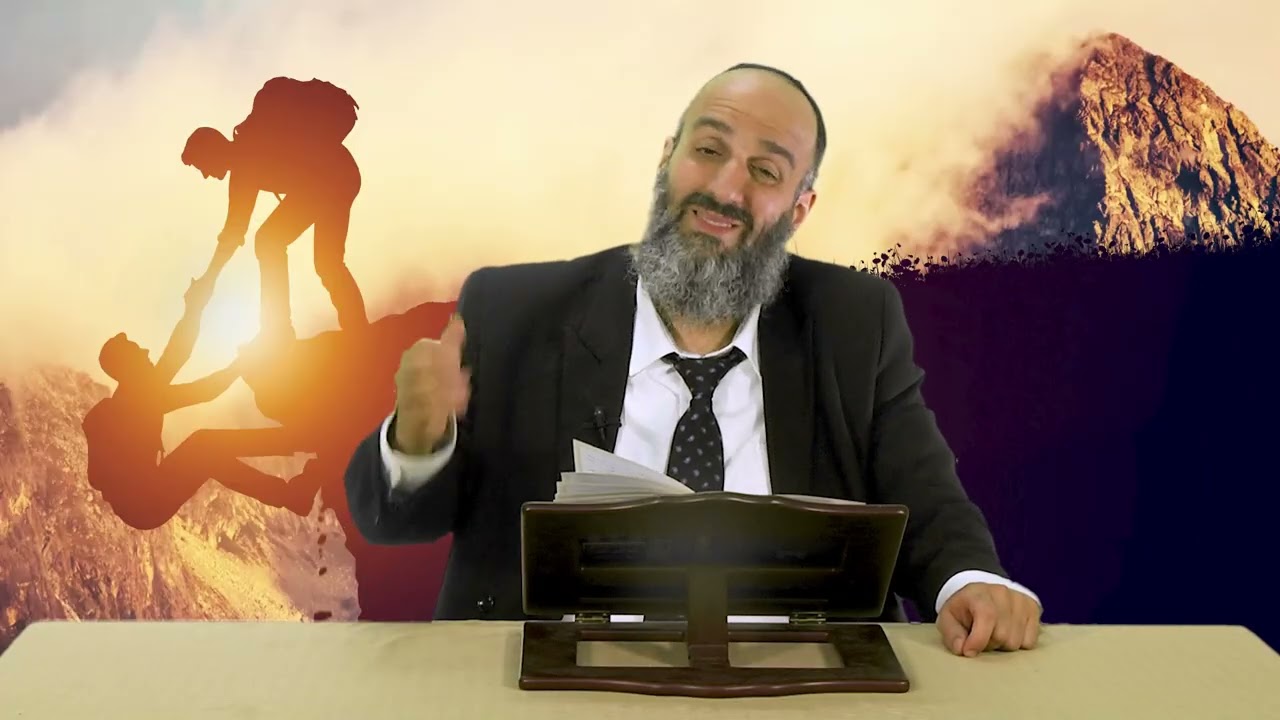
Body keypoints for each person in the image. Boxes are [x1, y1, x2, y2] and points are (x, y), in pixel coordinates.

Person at [343, 63, 1042, 657]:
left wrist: (972, 582)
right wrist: (419, 442)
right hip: (555, 684)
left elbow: (926, 497)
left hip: (799, 690)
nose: (726, 190)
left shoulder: (855, 321)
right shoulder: (513, 309)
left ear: (799, 209)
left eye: (765, 171)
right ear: (667, 157)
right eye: (708, 150)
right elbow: (393, 522)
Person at [84, 273, 318, 529]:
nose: (146, 351)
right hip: (146, 502)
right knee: (204, 445)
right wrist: (241, 362)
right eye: (137, 351)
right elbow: (205, 387)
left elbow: (177, 352)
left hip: (141, 501)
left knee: (208, 452)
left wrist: (194, 309)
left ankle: (291, 487)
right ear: (127, 366)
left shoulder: (137, 393)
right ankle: (295, 449)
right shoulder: (139, 398)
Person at [181, 77, 368, 347]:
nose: (205, 175)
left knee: (276, 243)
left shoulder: (247, 159)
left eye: (202, 165)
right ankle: (353, 329)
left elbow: (233, 233)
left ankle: (281, 331)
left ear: (212, 150)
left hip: (332, 179)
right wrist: (208, 279)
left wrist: (208, 280)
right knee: (323, 261)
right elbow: (233, 233)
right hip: (336, 176)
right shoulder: (244, 163)